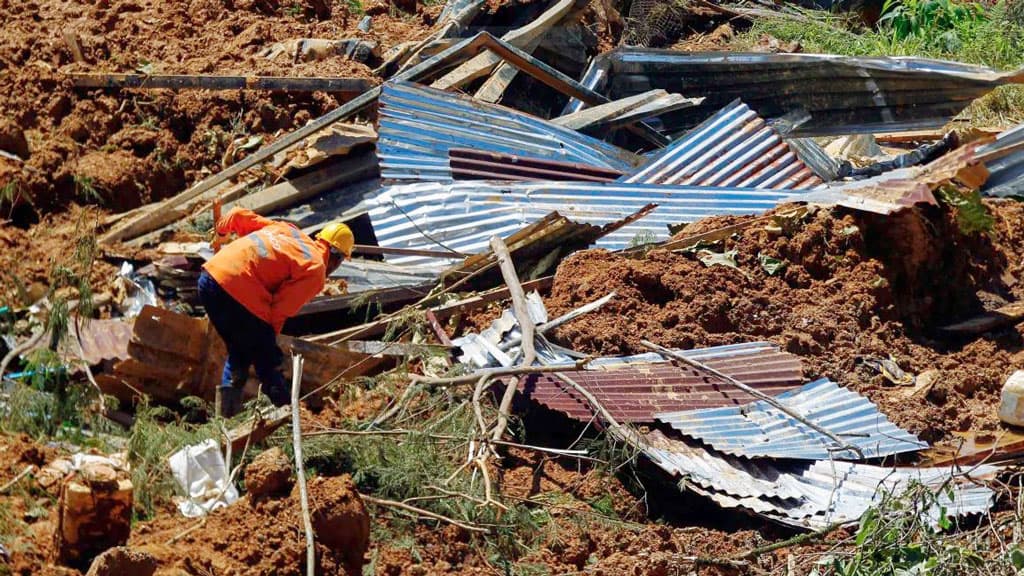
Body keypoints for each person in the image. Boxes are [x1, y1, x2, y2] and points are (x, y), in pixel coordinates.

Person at [197, 207, 354, 417]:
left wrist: (222, 231)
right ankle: (289, 417)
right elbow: (278, 311)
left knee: (240, 352)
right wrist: (269, 341)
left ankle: (225, 419)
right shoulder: (315, 270)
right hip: (239, 293)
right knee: (267, 361)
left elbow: (238, 215)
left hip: (209, 279)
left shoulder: (288, 230)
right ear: (336, 258)